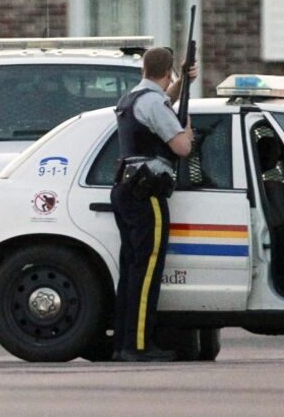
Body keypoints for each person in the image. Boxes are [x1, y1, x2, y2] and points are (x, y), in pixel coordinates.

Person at [111, 47, 197, 362]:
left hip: (125, 188)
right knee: (148, 271)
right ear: (168, 72)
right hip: (147, 193)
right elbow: (183, 147)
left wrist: (179, 86)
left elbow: (160, 101)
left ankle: (123, 344)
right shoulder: (155, 103)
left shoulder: (132, 97)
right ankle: (140, 346)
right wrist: (185, 124)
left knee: (132, 270)